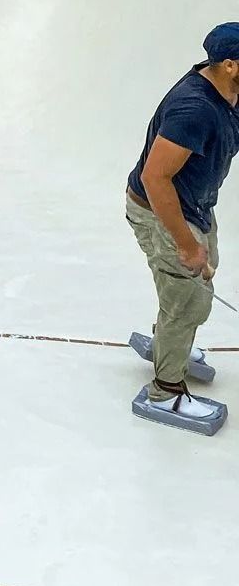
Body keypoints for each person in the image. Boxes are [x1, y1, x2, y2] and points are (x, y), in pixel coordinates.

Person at [127, 23, 239, 426]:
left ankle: (168, 341)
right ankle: (165, 392)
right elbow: (156, 179)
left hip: (196, 205)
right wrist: (185, 244)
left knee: (200, 282)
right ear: (229, 64)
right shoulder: (194, 110)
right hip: (162, 210)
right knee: (188, 300)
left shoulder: (229, 88)